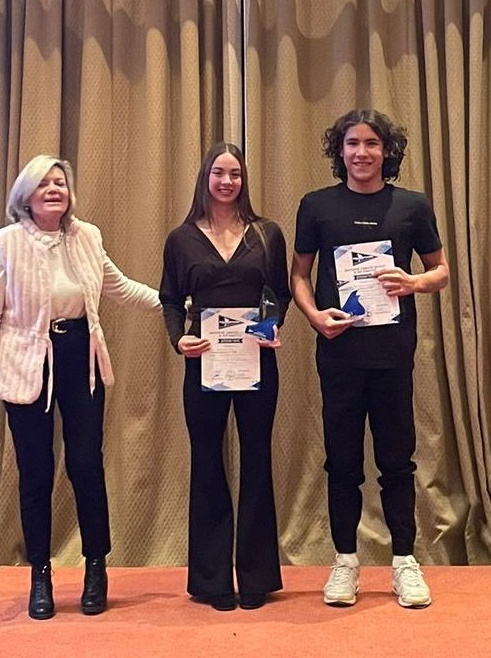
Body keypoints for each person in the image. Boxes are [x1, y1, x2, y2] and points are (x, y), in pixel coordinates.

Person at [0, 155, 160, 620]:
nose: (54, 190)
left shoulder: (87, 236)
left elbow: (121, 287)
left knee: (86, 466)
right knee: (35, 474)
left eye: (60, 183)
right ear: (25, 196)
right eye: (44, 183)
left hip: (79, 359)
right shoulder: (5, 243)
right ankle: (40, 575)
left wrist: (177, 304)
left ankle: (96, 568)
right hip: (27, 364)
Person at [290, 110, 449, 609]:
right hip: (339, 354)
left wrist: (414, 282)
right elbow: (298, 276)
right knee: (341, 462)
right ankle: (345, 562)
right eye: (353, 143)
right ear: (339, 151)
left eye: (372, 144)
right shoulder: (316, 206)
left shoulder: (412, 205)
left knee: (397, 461)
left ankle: (404, 562)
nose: (362, 153)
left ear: (387, 151)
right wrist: (315, 316)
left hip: (393, 355)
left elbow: (441, 272)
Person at [159, 142, 291, 611]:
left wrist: (272, 324)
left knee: (257, 461)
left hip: (256, 361)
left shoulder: (267, 234)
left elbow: (279, 292)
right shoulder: (181, 239)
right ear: (205, 178)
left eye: (235, 174)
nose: (227, 181)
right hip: (204, 363)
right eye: (219, 173)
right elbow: (170, 299)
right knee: (208, 463)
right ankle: (212, 581)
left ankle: (257, 578)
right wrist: (179, 339)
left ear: (243, 180)